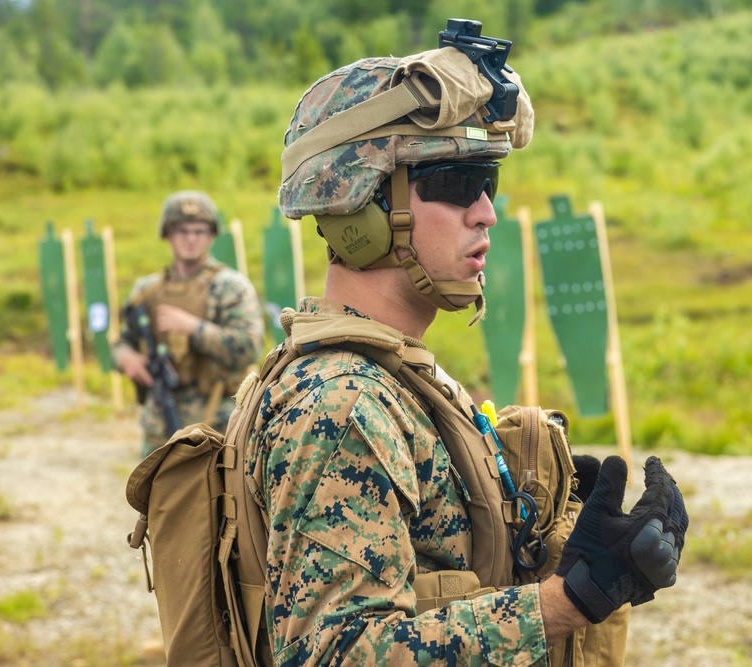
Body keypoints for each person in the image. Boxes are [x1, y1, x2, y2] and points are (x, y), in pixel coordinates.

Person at [246, 23, 688, 666]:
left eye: (490, 183)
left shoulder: (395, 377)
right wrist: (569, 602)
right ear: (361, 207)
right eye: (455, 184)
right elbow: (337, 652)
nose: (486, 212)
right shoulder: (341, 406)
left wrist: (551, 531)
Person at [113, 190, 264, 457]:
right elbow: (121, 341)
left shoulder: (230, 287)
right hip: (159, 425)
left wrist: (195, 328)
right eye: (182, 231)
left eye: (199, 231)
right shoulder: (146, 290)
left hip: (216, 426)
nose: (191, 239)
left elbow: (251, 347)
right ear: (167, 234)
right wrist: (127, 358)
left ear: (211, 235)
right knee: (156, 498)